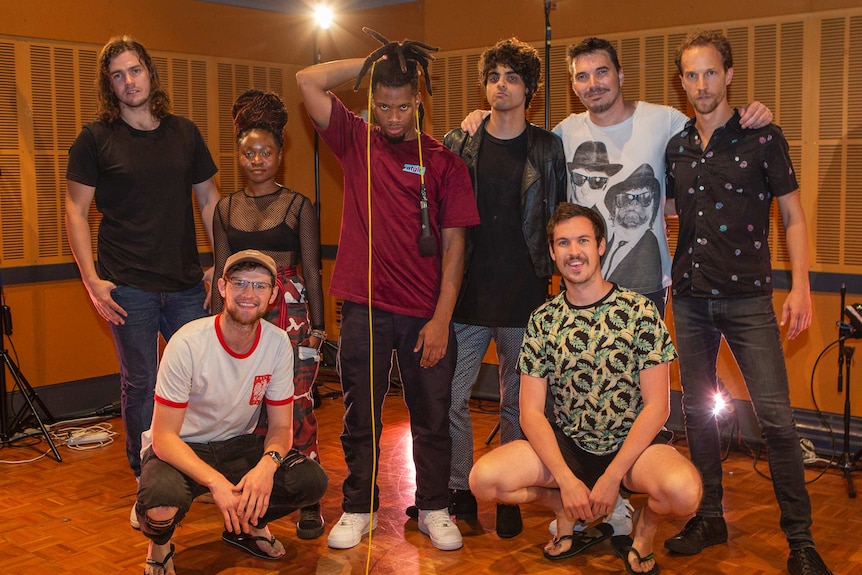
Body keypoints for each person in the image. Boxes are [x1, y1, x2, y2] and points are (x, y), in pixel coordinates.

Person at [462, 36, 773, 536]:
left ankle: (623, 490)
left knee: (634, 403)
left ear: (620, 75)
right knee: (577, 400)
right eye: (581, 77)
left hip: (643, 288)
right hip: (578, 293)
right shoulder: (562, 134)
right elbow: (515, 136)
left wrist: (752, 113)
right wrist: (479, 119)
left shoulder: (664, 120)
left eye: (601, 73)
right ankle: (577, 493)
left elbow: (713, 126)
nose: (592, 84)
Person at [296, 30, 480, 551]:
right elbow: (308, 79)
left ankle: (435, 507)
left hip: (425, 315)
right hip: (364, 311)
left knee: (432, 418)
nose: (393, 117)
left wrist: (443, 318)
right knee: (360, 417)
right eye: (383, 106)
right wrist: (380, 62)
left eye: (402, 106)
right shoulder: (355, 140)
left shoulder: (445, 162)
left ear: (418, 101)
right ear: (372, 102)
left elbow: (454, 250)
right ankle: (359, 507)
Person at [664, 31, 832, 575]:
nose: (700, 85)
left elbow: (794, 217)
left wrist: (801, 286)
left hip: (748, 300)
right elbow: (663, 214)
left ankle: (800, 542)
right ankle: (710, 516)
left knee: (777, 421)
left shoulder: (763, 135)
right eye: (690, 75)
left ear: (729, 75)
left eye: (710, 73)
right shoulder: (678, 145)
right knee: (697, 415)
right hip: (688, 300)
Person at [469, 203, 701, 575]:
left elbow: (658, 407)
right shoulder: (543, 321)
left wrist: (611, 478)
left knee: (685, 493)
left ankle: (643, 530)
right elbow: (530, 412)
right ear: (552, 252)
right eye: (563, 243)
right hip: (569, 446)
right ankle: (565, 509)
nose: (573, 252)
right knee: (484, 481)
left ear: (601, 245)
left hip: (633, 449)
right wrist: (565, 481)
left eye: (582, 241)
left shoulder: (639, 310)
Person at [64, 35, 220, 528]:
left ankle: (195, 472)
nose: (129, 81)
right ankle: (146, 479)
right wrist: (92, 280)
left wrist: (223, 262)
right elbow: (74, 210)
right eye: (118, 74)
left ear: (150, 73)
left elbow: (210, 200)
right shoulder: (95, 139)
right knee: (142, 384)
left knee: (198, 383)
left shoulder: (185, 133)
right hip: (126, 284)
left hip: (186, 284)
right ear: (109, 85)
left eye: (135, 70)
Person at [432, 37, 567, 538]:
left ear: (529, 87)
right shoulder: (459, 141)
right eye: (493, 77)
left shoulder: (547, 148)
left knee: (518, 403)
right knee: (451, 395)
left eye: (511, 77)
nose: (501, 85)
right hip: (465, 298)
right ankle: (460, 490)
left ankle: (508, 493)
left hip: (525, 299)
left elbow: (558, 216)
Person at [135, 249, 328, 575]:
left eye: (259, 286)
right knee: (160, 504)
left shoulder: (278, 342)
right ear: (222, 287)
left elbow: (282, 428)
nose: (249, 294)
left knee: (310, 481)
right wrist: (216, 483)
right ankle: (160, 543)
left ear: (273, 295)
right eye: (239, 283)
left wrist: (267, 466)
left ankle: (248, 527)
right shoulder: (188, 343)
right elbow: (164, 438)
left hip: (238, 444)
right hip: (182, 448)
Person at [211, 89, 326, 540]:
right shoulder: (224, 208)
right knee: (252, 406)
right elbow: (223, 274)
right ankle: (257, 492)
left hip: (291, 312)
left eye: (266, 152)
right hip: (244, 313)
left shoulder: (298, 205)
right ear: (238, 156)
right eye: (248, 153)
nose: (256, 159)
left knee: (295, 404)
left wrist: (318, 328)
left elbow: (313, 270)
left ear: (280, 155)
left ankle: (309, 497)